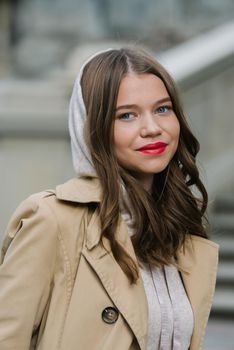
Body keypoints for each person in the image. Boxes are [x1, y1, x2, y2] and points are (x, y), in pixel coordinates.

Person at [0, 47, 219, 350]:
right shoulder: (52, 219)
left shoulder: (178, 228)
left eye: (162, 109)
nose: (152, 128)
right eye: (126, 115)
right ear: (91, 128)